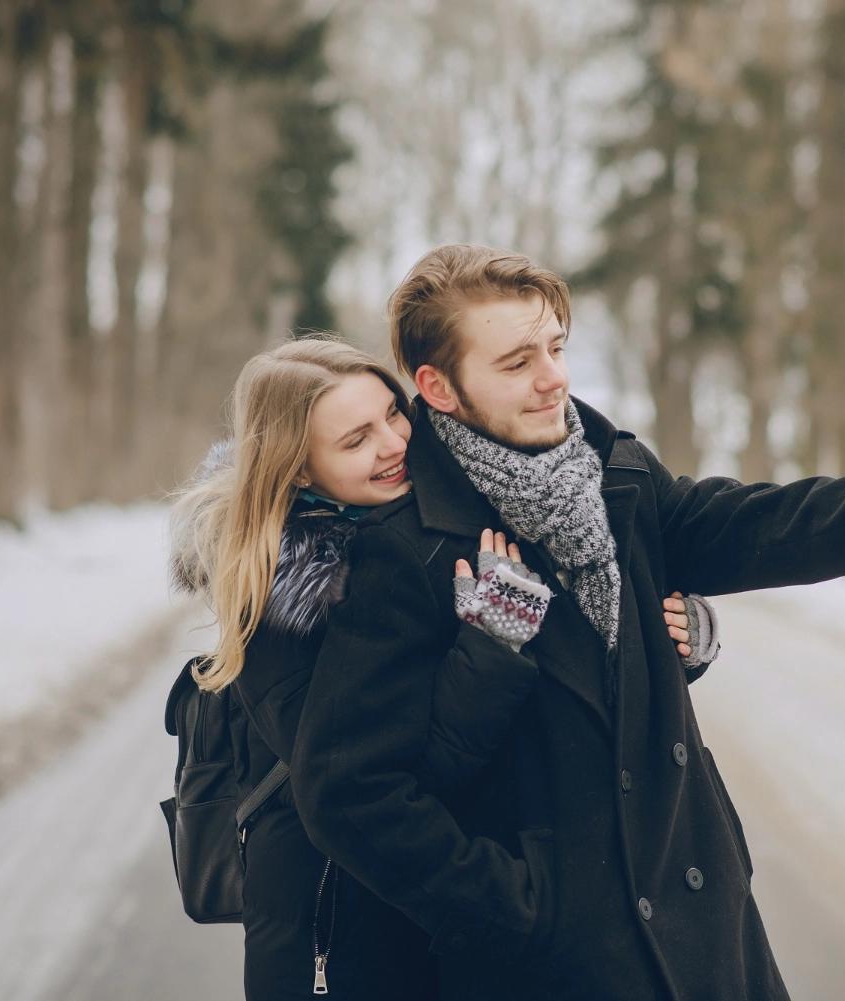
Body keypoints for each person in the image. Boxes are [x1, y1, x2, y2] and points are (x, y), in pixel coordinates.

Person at [287, 245, 845, 1000]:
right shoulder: (408, 548)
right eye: (515, 363)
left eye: (556, 347)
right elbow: (348, 791)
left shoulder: (619, 477)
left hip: (702, 932)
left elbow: (767, 524)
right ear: (439, 387)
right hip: (549, 967)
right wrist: (510, 908)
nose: (553, 378)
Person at [166, 335, 722, 1000]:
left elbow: (566, 679)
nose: (394, 444)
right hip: (339, 939)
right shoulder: (285, 607)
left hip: (425, 924)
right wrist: (492, 641)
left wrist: (676, 633)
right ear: (300, 470)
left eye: (393, 414)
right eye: (354, 440)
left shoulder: (419, 522)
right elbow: (413, 771)